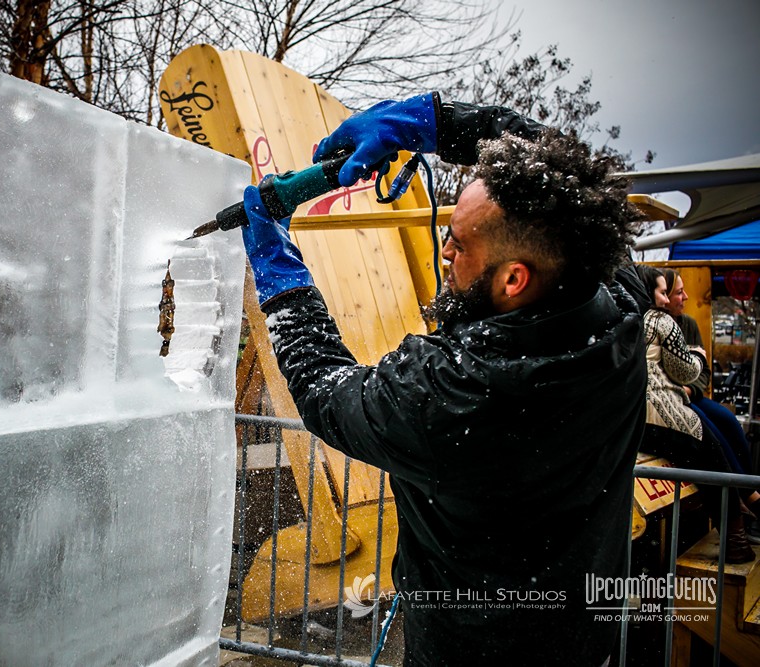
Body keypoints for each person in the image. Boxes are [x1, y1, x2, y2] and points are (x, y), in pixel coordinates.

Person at [239, 92, 646, 666]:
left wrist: (280, 277)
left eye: (461, 243)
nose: (445, 247)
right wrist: (425, 123)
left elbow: (326, 392)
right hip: (583, 634)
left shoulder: (456, 395)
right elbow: (550, 169)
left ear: (513, 279)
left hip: (475, 650)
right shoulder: (611, 299)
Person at [635, 265, 756, 562]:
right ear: (648, 291)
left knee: (721, 427)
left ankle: (747, 506)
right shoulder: (662, 321)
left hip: (635, 418)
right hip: (666, 413)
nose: (666, 299)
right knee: (715, 462)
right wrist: (699, 359)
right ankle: (737, 541)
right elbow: (686, 371)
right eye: (664, 292)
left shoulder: (625, 320)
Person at [662, 268, 754, 476]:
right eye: (678, 293)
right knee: (708, 428)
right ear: (664, 297)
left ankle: (747, 481)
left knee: (728, 420)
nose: (685, 297)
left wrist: (690, 389)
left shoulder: (688, 324)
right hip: (668, 400)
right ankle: (740, 491)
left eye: (684, 291)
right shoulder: (652, 325)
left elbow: (703, 370)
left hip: (689, 395)